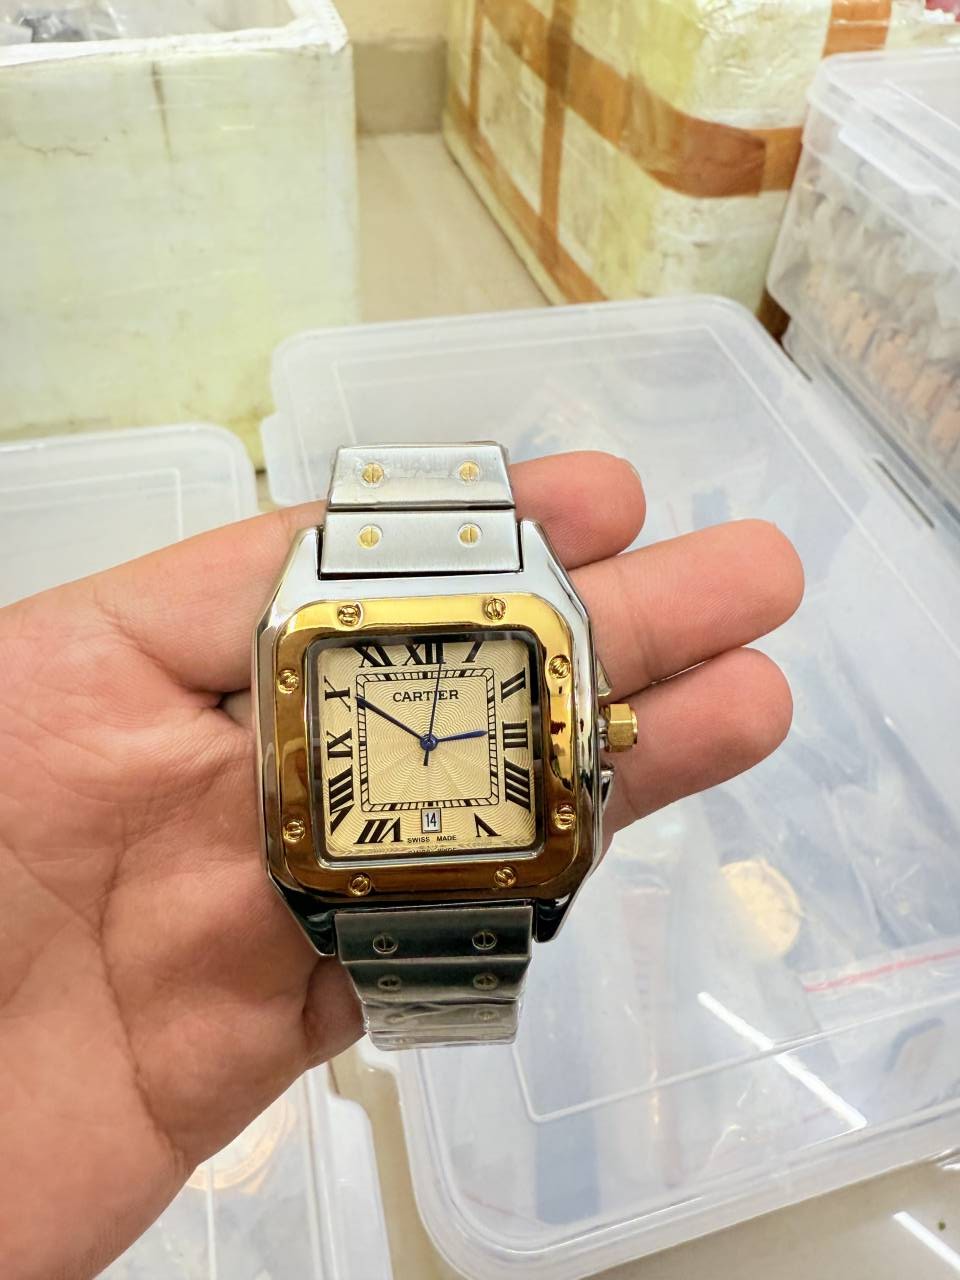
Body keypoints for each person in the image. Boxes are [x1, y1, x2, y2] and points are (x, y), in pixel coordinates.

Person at [0, 452, 803, 1280]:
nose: (425, 743)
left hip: (457, 877)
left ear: (602, 729)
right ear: (606, 729)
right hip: (385, 883)